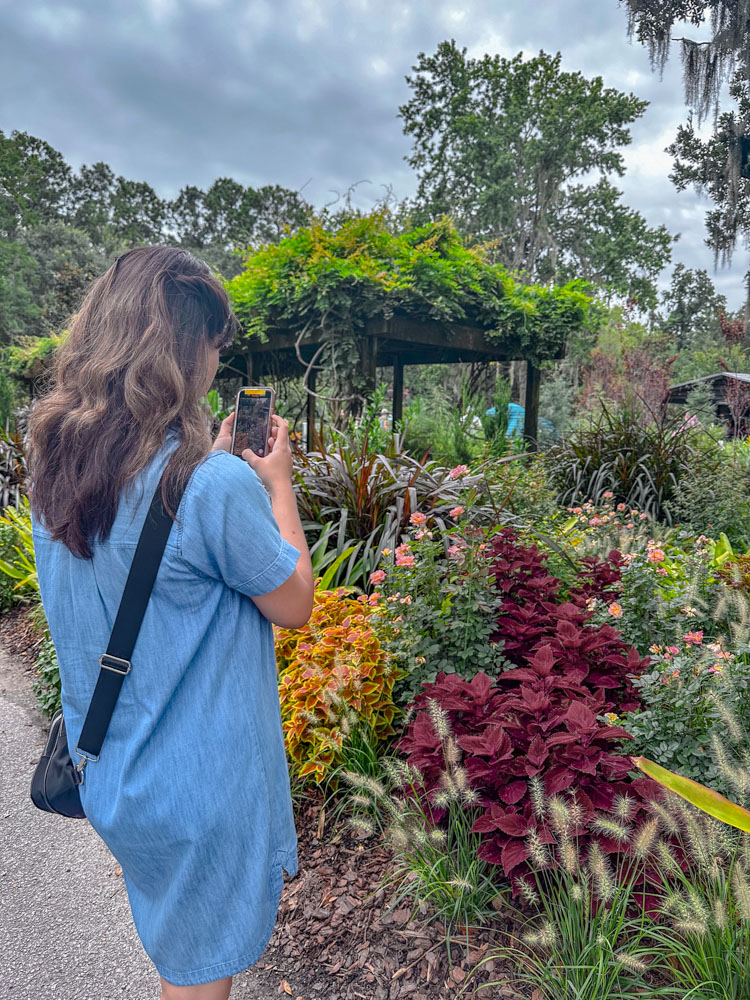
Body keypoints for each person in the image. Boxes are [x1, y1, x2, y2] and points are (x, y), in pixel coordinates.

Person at [27, 245, 314, 1000]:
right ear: (182, 353)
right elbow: (295, 603)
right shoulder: (212, 485)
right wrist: (274, 485)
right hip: (196, 793)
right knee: (194, 977)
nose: (217, 368)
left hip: (116, 776)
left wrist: (210, 465)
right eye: (213, 349)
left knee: (176, 946)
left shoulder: (51, 470)